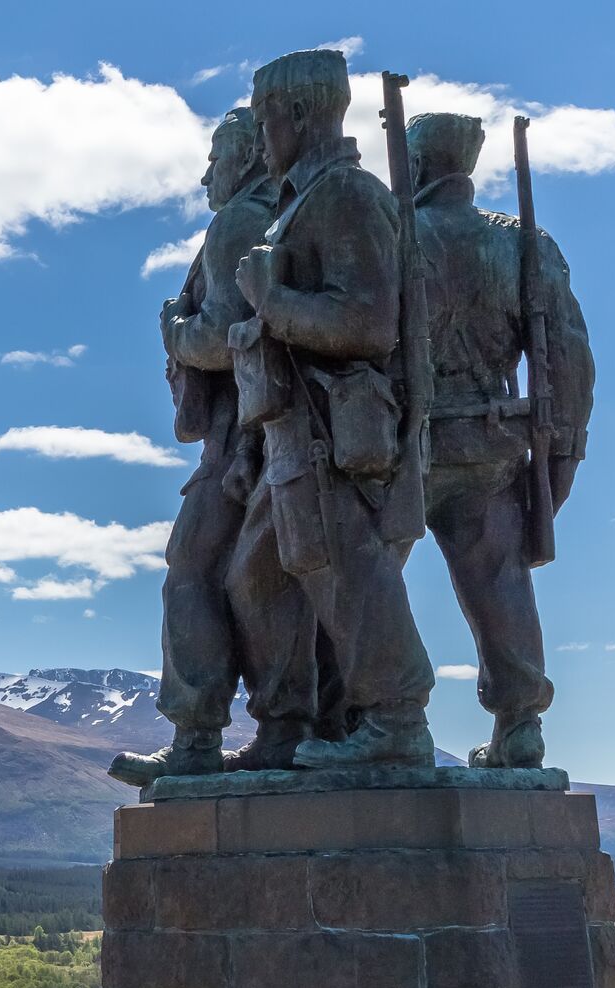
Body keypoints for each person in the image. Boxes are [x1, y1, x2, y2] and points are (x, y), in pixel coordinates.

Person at [228, 47, 437, 769]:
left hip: (333, 431)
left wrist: (272, 301)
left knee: (349, 574)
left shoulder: (346, 194)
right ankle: (285, 727)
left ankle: (397, 720)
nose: (261, 138)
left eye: (264, 120)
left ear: (297, 112)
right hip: (289, 430)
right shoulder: (302, 200)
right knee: (255, 578)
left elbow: (370, 323)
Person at [112, 107, 311, 784]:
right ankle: (280, 728)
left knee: (194, 570)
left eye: (216, 160)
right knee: (265, 579)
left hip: (242, 433)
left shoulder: (238, 223)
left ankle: (200, 736)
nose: (206, 177)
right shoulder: (288, 217)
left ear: (248, 158)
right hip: (272, 428)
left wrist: (174, 329)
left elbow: (223, 337)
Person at [408, 111, 593, 768]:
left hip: (404, 444)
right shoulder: (520, 244)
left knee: (364, 577)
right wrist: (563, 452)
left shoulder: (396, 236)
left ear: (418, 165)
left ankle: (376, 715)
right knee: (499, 579)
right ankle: (519, 723)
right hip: (492, 441)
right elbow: (567, 359)